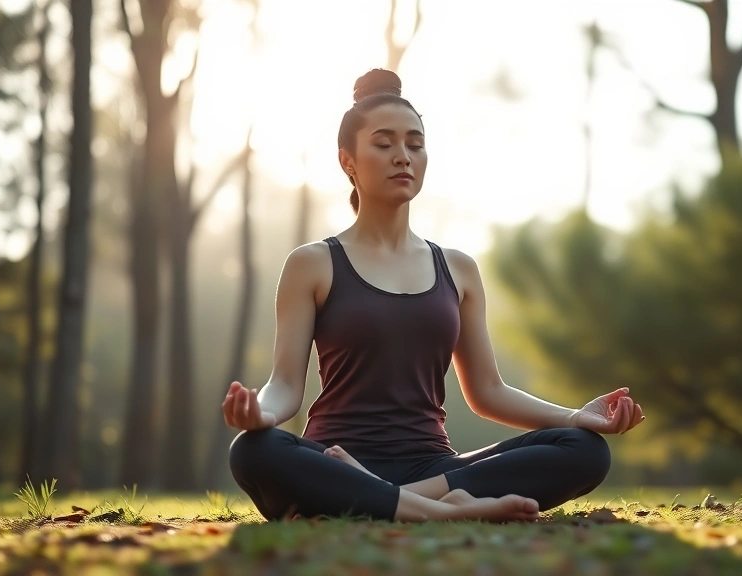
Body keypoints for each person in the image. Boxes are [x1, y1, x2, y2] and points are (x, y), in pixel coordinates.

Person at [224, 68, 645, 523]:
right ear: (348, 162)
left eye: (415, 144)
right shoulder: (313, 263)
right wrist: (260, 413)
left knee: (584, 449)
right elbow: (286, 385)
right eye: (383, 144)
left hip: (432, 466)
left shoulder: (458, 268)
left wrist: (575, 418)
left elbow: (488, 391)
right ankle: (442, 512)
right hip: (333, 458)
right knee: (254, 450)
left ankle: (387, 500)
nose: (402, 157)